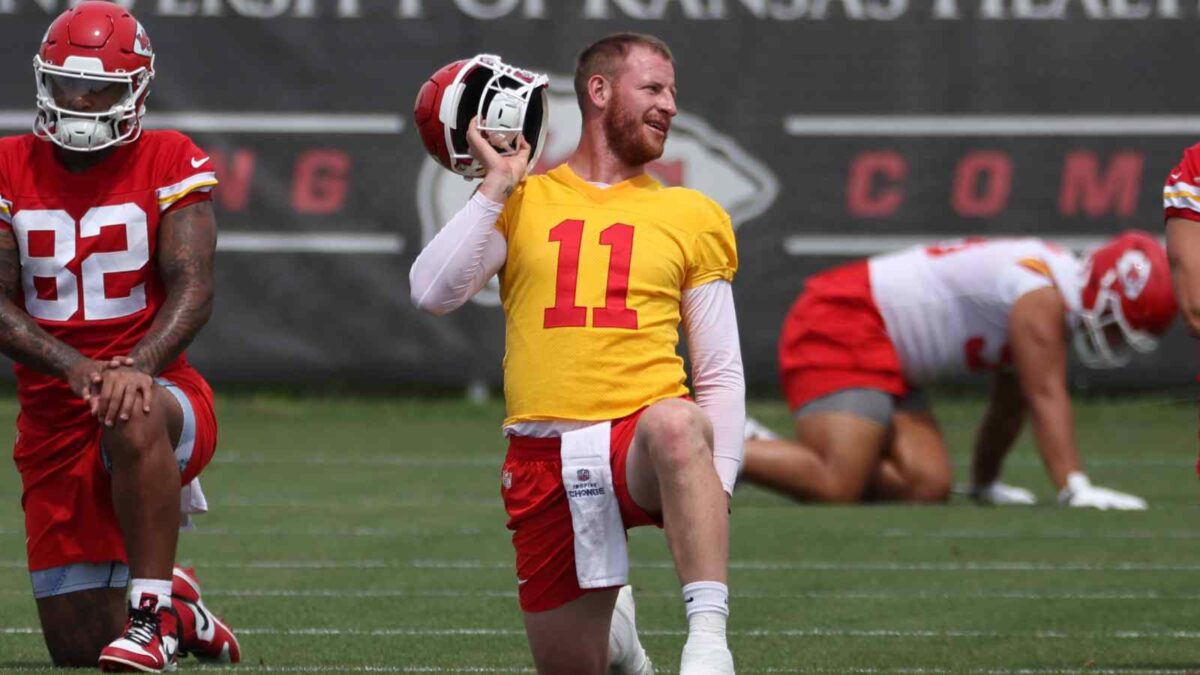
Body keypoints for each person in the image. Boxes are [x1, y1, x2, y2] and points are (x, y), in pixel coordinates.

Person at [410, 34, 744, 675]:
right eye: (653, 88)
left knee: (677, 424)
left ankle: (707, 642)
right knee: (577, 664)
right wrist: (498, 185)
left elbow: (720, 372)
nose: (670, 105)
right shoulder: (523, 199)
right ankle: (624, 645)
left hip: (639, 441)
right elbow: (431, 291)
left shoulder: (693, 213)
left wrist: (714, 481)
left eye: (673, 92)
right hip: (542, 456)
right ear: (599, 92)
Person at [0, 2, 239, 670]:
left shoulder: (169, 155)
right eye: (67, 84)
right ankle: (178, 604)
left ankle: (146, 617)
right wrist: (79, 368)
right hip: (53, 420)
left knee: (132, 410)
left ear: (135, 88)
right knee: (77, 647)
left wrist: (136, 364)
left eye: (98, 87)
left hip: (162, 393)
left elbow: (194, 287)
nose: (79, 100)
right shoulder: (8, 163)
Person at [741, 233, 1176, 508]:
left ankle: (770, 447)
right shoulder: (1040, 294)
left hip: (889, 353)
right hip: (844, 319)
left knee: (926, 486)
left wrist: (986, 483)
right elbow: (1046, 395)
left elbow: (1013, 404)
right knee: (838, 485)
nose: (1114, 337)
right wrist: (1074, 486)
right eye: (1118, 324)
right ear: (1106, 288)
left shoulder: (1047, 288)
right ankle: (719, 446)